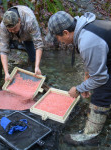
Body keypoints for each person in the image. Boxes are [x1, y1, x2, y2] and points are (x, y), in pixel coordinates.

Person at [45, 11, 111, 146]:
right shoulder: (84, 28)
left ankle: (91, 136)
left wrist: (79, 89)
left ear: (65, 33)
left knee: (100, 91)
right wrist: (86, 79)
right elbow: (93, 61)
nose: (59, 42)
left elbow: (100, 78)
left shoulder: (88, 42)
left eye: (58, 38)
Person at [0, 5, 44, 82]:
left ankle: (35, 70)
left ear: (19, 20)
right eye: (10, 30)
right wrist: (7, 73)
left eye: (14, 28)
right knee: (0, 48)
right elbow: (3, 50)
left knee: (33, 56)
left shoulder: (30, 20)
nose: (13, 31)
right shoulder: (3, 26)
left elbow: (38, 44)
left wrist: (37, 66)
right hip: (11, 37)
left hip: (27, 35)